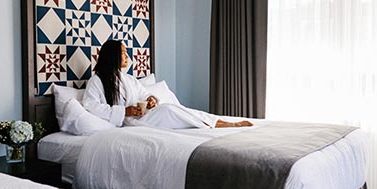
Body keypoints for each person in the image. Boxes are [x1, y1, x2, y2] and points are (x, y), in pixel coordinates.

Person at [82, 39, 253, 129]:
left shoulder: (128, 79)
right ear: (112, 56)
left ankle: (218, 122)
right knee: (169, 109)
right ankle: (218, 124)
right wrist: (123, 112)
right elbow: (90, 106)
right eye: (124, 53)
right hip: (132, 122)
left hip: (145, 115)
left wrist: (150, 99)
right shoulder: (97, 81)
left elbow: (142, 93)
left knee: (173, 109)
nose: (127, 57)